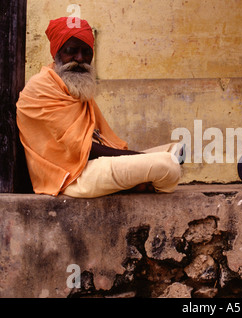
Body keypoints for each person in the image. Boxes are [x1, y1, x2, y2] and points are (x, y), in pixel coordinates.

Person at [16, 17, 183, 198]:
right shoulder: (41, 88)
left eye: (86, 52)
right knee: (166, 166)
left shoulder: (73, 87)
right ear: (57, 53)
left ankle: (138, 179)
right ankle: (140, 180)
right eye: (71, 51)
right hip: (71, 179)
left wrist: (138, 159)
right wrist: (140, 158)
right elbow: (84, 150)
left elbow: (100, 139)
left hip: (90, 166)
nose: (80, 59)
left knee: (173, 150)